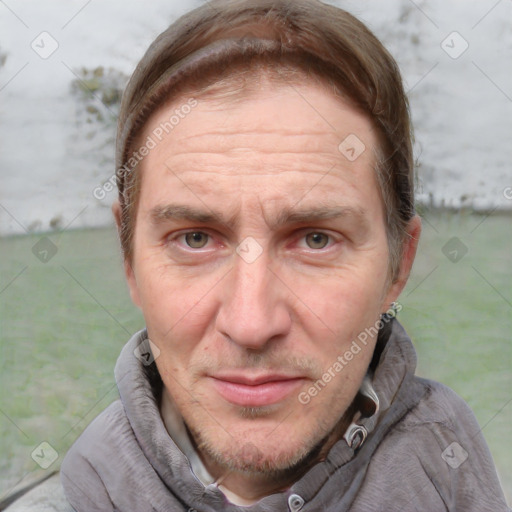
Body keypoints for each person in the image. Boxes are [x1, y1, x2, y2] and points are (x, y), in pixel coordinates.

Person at [34, 0, 508, 510]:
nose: (252, 323)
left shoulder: (443, 452)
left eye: (315, 239)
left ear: (399, 264)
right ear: (129, 260)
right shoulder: (91, 482)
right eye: (195, 238)